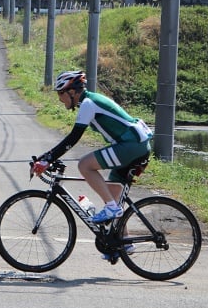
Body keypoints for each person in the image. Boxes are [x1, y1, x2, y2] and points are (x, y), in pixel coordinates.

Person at [37, 70, 152, 224]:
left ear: (71, 92)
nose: (59, 99)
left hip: (131, 144)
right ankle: (124, 243)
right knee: (111, 197)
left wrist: (48, 158)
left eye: (60, 93)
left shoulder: (88, 104)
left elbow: (74, 137)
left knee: (85, 165)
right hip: (137, 144)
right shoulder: (89, 101)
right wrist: (47, 157)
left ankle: (112, 209)